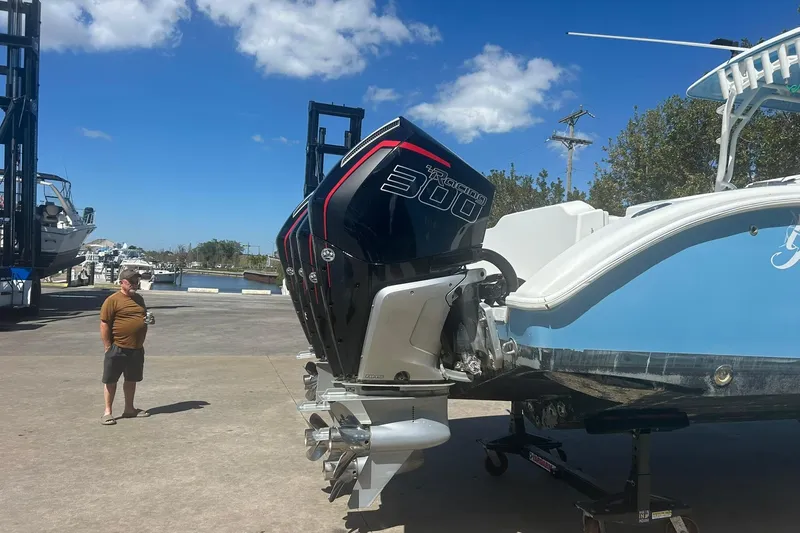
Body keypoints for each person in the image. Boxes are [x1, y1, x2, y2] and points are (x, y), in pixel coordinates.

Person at [99, 267, 152, 425]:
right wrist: (108, 346)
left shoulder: (139, 299)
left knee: (131, 380)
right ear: (122, 282)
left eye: (137, 281)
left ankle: (129, 409)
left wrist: (148, 321)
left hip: (136, 348)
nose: (135, 284)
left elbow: (143, 317)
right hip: (118, 347)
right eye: (131, 282)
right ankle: (107, 412)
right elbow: (104, 324)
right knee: (111, 380)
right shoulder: (112, 300)